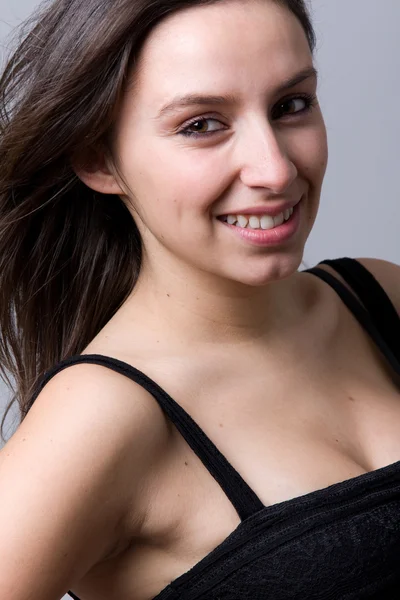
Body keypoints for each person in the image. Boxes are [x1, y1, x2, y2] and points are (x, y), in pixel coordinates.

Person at [0, 0, 399, 598]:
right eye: (202, 125)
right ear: (96, 156)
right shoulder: (101, 416)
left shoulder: (380, 294)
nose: (274, 168)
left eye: (291, 106)